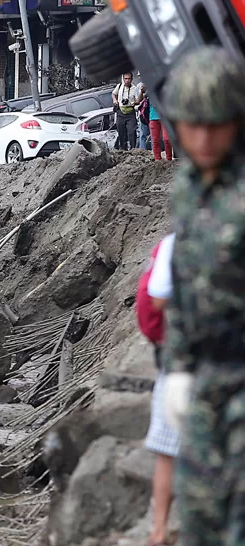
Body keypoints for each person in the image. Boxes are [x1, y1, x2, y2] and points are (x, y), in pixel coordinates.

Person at [159, 46, 245, 546]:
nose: (204, 138)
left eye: (216, 124)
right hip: (207, 380)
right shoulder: (188, 187)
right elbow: (184, 287)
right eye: (193, 125)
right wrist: (178, 369)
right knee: (200, 519)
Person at [137, 233, 179, 546]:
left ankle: (159, 531)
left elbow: (156, 297)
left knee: (166, 451)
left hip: (182, 359)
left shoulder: (174, 243)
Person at [113, 72, 145, 150]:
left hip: (130, 112)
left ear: (131, 79)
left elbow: (139, 100)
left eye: (129, 79)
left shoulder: (134, 88)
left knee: (131, 132)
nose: (127, 81)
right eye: (125, 79)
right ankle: (123, 150)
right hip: (121, 112)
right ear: (123, 79)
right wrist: (115, 100)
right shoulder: (119, 86)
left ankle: (133, 150)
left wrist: (135, 101)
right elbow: (113, 94)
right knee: (121, 132)